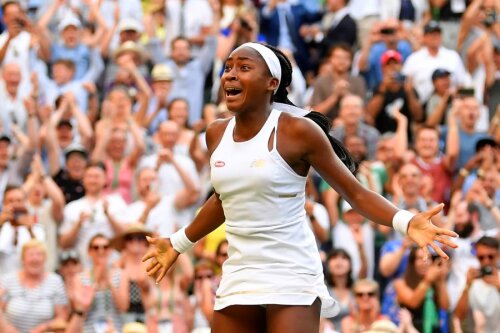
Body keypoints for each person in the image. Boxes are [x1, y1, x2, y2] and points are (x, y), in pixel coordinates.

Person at [142, 42, 457, 332]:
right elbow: (223, 200)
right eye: (228, 67)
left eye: (244, 67)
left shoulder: (298, 131)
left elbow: (355, 193)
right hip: (239, 271)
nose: (230, 75)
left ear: (272, 84)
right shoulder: (215, 134)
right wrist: (178, 243)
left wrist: (405, 221)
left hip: (291, 272)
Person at [0, 239, 68, 333]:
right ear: (23, 259)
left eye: (39, 254)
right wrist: (6, 328)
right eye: (30, 255)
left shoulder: (55, 281)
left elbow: (62, 320)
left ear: (45, 258)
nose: (35, 259)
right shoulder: (8, 280)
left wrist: (43, 328)